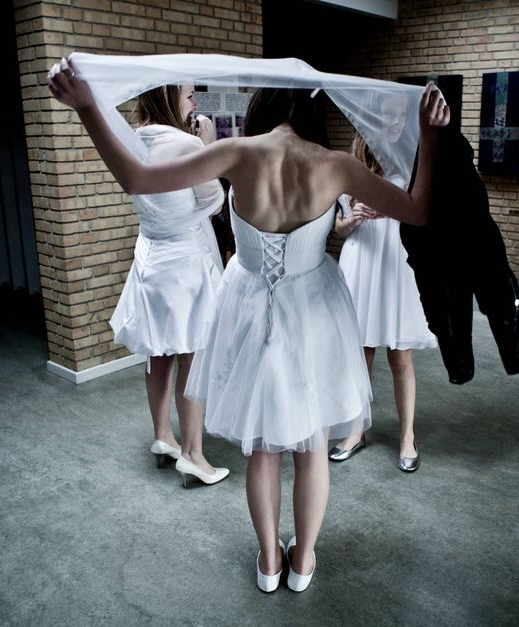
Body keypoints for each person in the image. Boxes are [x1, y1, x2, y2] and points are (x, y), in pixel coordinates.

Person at [47, 57, 449, 592]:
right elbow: (418, 210)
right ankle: (303, 562)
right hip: (315, 310)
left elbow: (135, 178)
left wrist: (86, 108)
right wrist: (429, 135)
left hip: (247, 306)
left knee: (262, 446)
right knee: (310, 443)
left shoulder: (237, 152)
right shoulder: (336, 165)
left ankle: (268, 562)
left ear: (263, 105)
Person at [108, 82, 229, 486]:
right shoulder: (187, 144)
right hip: (184, 262)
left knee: (158, 352)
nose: (194, 102)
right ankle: (193, 454)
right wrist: (207, 148)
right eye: (189, 94)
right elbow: (212, 201)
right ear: (168, 97)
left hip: (149, 258)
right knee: (191, 357)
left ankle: (163, 435)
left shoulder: (130, 140)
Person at [330, 98, 438, 472]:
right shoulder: (352, 165)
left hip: (395, 262)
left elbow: (427, 219)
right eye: (387, 115)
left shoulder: (411, 163)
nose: (394, 122)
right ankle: (355, 430)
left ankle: (407, 436)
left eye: (400, 117)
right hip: (361, 261)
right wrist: (354, 219)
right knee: (361, 353)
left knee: (399, 355)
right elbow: (338, 228)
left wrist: (394, 210)